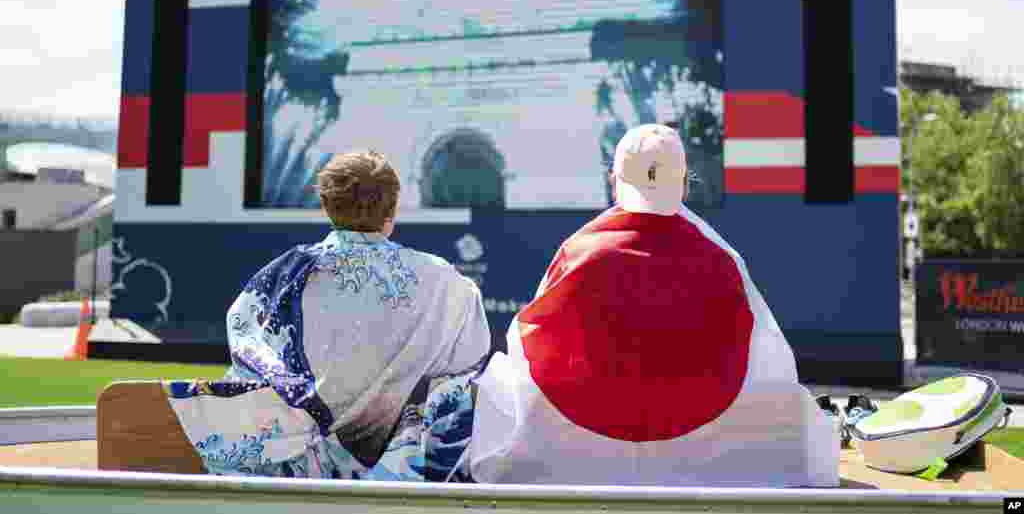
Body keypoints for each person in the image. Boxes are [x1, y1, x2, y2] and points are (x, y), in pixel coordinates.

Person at [467, 124, 839, 487]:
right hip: (706, 449)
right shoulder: (723, 257)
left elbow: (534, 347)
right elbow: (765, 357)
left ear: (615, 181)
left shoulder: (578, 250)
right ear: (682, 183)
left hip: (577, 456)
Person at [166, 150, 491, 480]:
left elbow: (248, 361)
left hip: (291, 468)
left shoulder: (283, 277)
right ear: (392, 209)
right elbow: (466, 368)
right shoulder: (446, 282)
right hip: (404, 473)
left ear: (326, 206)